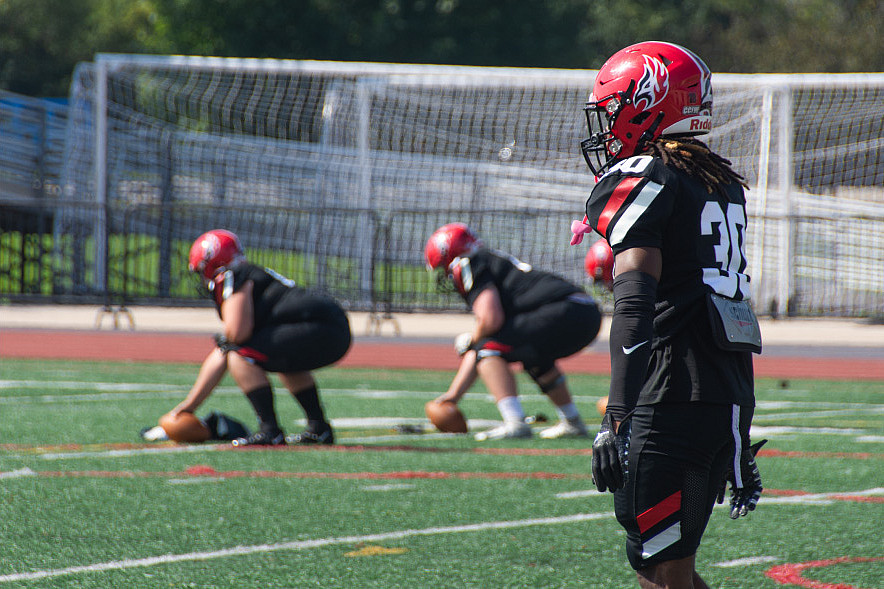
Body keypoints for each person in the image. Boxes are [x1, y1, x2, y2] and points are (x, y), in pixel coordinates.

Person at [572, 41, 764, 588]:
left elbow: (634, 302)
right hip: (719, 394)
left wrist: (618, 414)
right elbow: (730, 307)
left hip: (670, 395)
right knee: (671, 568)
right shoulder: (718, 181)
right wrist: (738, 418)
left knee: (659, 570)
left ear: (650, 100)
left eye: (615, 108)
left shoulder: (646, 175)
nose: (608, 126)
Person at [165, 229, 352, 446]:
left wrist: (187, 407)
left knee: (242, 354)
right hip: (332, 327)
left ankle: (269, 430)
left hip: (319, 326)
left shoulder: (233, 275)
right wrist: (188, 407)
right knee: (280, 359)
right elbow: (227, 346)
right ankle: (319, 428)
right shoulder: (248, 273)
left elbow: (236, 334)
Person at [424, 222, 602, 441]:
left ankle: (515, 422)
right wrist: (454, 394)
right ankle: (572, 422)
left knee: (489, 348)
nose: (446, 273)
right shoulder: (490, 260)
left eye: (444, 266)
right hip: (585, 311)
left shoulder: (468, 263)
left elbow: (490, 321)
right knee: (534, 356)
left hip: (564, 310)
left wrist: (472, 341)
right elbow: (490, 333)